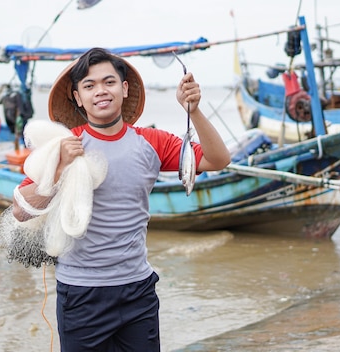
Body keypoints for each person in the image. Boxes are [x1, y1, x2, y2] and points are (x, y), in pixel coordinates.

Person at [12, 47, 230, 351]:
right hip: (81, 293)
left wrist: (194, 111)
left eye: (109, 82)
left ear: (124, 89)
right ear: (77, 96)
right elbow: (21, 212)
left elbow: (217, 159)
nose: (100, 91)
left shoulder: (151, 142)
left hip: (138, 291)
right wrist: (59, 167)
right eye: (89, 86)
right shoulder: (64, 145)